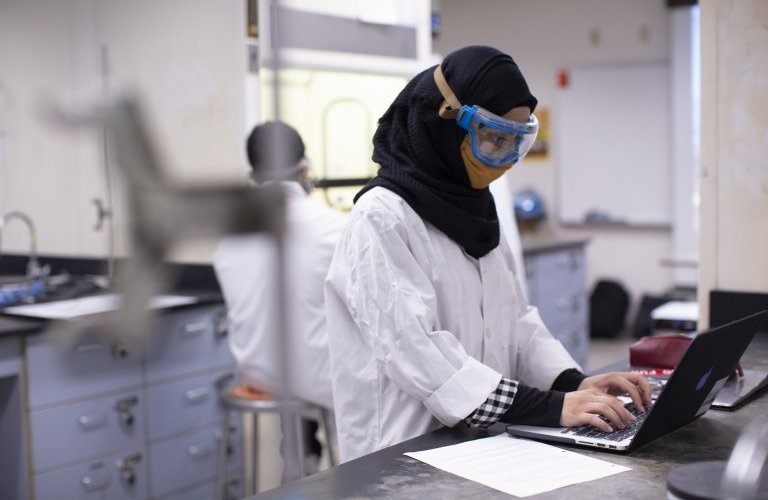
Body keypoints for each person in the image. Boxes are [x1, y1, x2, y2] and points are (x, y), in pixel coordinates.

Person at [324, 46, 652, 462]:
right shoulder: (382, 218)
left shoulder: (476, 209)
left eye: (518, 140)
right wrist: (550, 407)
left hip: (477, 444)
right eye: (495, 138)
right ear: (445, 123)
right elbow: (418, 352)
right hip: (400, 451)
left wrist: (572, 383)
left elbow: (516, 323)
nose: (508, 159)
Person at [213, 121, 346, 473]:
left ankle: (302, 464)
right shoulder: (333, 227)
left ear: (252, 176)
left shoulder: (230, 236)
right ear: (305, 170)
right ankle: (348, 474)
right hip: (316, 382)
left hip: (258, 371)